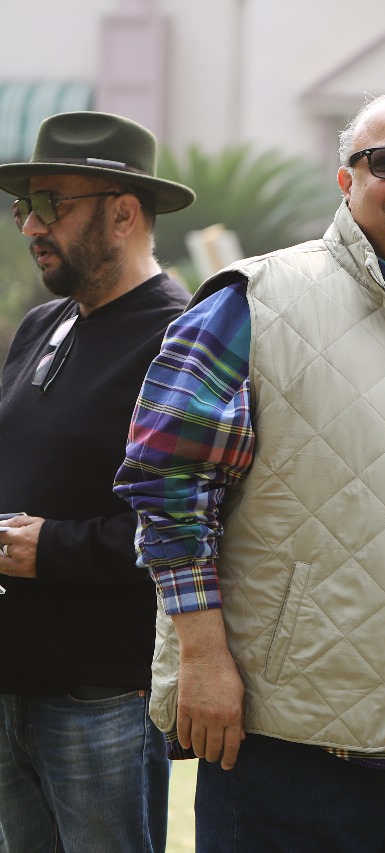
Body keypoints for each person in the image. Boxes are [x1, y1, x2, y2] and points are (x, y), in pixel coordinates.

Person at [114, 91, 385, 851]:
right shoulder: (255, 301)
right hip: (298, 740)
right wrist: (202, 659)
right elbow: (168, 485)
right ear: (347, 180)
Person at [0, 111, 195, 852]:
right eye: (26, 206)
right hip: (12, 684)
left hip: (103, 697)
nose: (31, 226)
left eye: (51, 204)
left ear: (122, 213)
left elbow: (198, 525)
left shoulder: (182, 337)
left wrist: (54, 549)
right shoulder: (43, 324)